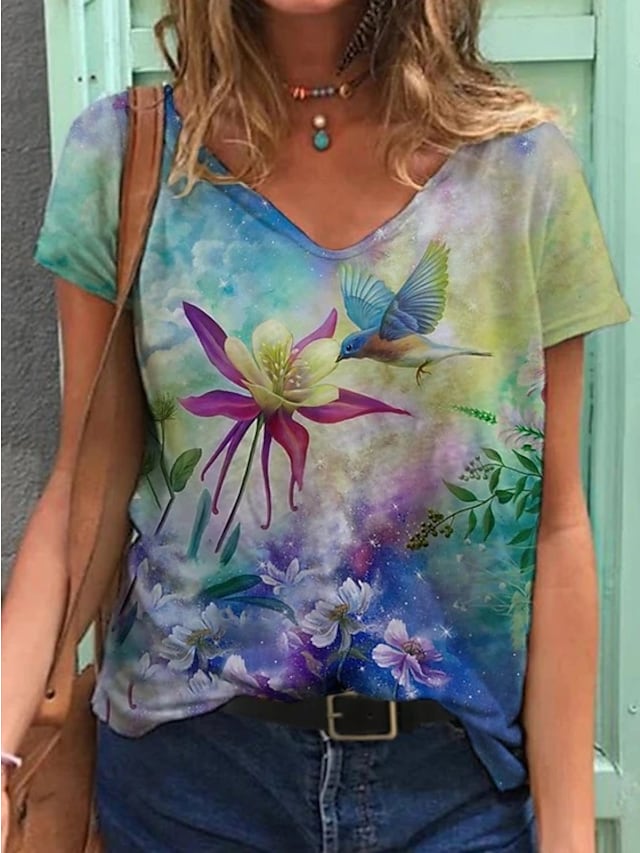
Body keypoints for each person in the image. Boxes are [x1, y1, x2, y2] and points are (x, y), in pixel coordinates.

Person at [2, 1, 632, 851]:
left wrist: (570, 835)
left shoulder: (523, 172)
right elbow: (83, 489)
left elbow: (557, 527)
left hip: (453, 797)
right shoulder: (128, 159)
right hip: (190, 790)